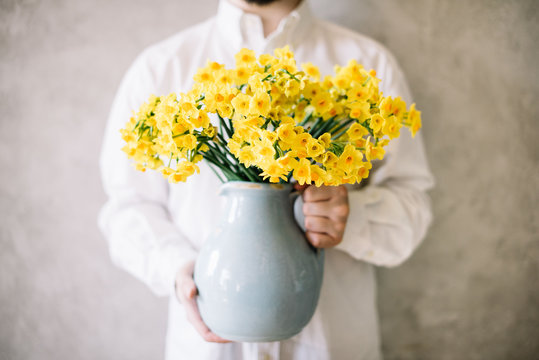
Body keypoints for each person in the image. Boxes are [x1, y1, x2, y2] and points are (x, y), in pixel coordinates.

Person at [98, 0, 435, 359]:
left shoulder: (370, 64)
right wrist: (180, 269)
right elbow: (127, 209)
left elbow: (412, 206)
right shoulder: (160, 68)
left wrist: (352, 216)